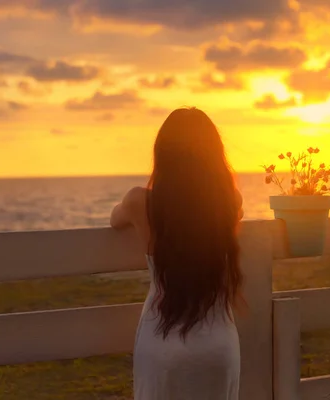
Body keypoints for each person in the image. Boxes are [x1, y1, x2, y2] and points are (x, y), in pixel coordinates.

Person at [110, 107, 245, 400]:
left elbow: (114, 219)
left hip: (163, 341)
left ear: (162, 155)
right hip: (219, 345)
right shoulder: (229, 202)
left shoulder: (139, 202)